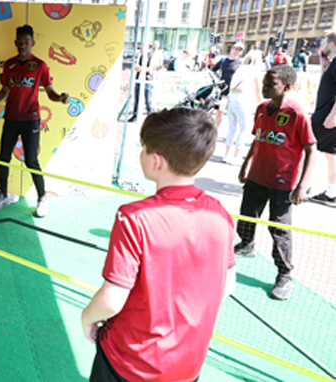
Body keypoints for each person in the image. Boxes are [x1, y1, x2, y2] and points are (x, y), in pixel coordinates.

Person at [81, 107, 236, 382]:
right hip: (188, 365)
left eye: (143, 148)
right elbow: (227, 285)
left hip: (129, 362)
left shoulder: (134, 217)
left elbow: (112, 298)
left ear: (157, 161)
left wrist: (87, 318)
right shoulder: (220, 214)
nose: (140, 153)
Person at [236, 65, 317, 300]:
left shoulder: (297, 113)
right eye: (264, 82)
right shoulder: (262, 108)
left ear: (288, 87)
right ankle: (247, 244)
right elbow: (258, 139)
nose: (265, 88)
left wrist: (302, 185)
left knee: (279, 228)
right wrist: (246, 164)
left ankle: (284, 275)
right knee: (246, 216)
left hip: (282, 182)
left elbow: (312, 150)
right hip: (256, 176)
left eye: (271, 84)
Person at [0, 25, 69, 217]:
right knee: (3, 159)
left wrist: (60, 98)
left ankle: (42, 197)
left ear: (32, 43)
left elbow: (50, 92)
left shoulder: (40, 65)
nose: (22, 45)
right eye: (19, 42)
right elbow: (4, 91)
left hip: (30, 120)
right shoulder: (9, 65)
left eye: (26, 42)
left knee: (32, 161)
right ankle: (3, 195)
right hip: (11, 119)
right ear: (15, 43)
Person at [223, 49, 263, 165]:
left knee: (232, 128)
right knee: (244, 128)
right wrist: (261, 105)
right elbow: (258, 93)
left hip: (231, 99)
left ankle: (226, 155)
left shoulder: (239, 69)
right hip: (242, 100)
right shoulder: (254, 72)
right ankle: (236, 156)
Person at [310, 31, 336, 207]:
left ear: (332, 45)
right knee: (330, 155)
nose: (322, 44)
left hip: (327, 116)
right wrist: (324, 63)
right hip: (327, 114)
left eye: (325, 42)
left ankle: (303, 185)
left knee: (305, 145)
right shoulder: (332, 63)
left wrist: (333, 116)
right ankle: (332, 193)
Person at [128, 41, 163, 122]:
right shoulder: (140, 55)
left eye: (144, 45)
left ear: (149, 47)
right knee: (137, 98)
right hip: (139, 79)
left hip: (147, 80)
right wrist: (142, 68)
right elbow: (136, 67)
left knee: (148, 99)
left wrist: (141, 68)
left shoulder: (152, 56)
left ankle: (150, 115)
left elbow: (150, 70)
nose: (142, 47)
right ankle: (135, 115)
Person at [212, 41, 244, 130]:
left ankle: (231, 133)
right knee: (219, 112)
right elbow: (213, 70)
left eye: (239, 50)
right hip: (223, 92)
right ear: (232, 48)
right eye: (236, 49)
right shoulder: (223, 61)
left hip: (234, 93)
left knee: (234, 115)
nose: (237, 51)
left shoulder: (241, 63)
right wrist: (218, 79)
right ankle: (215, 130)